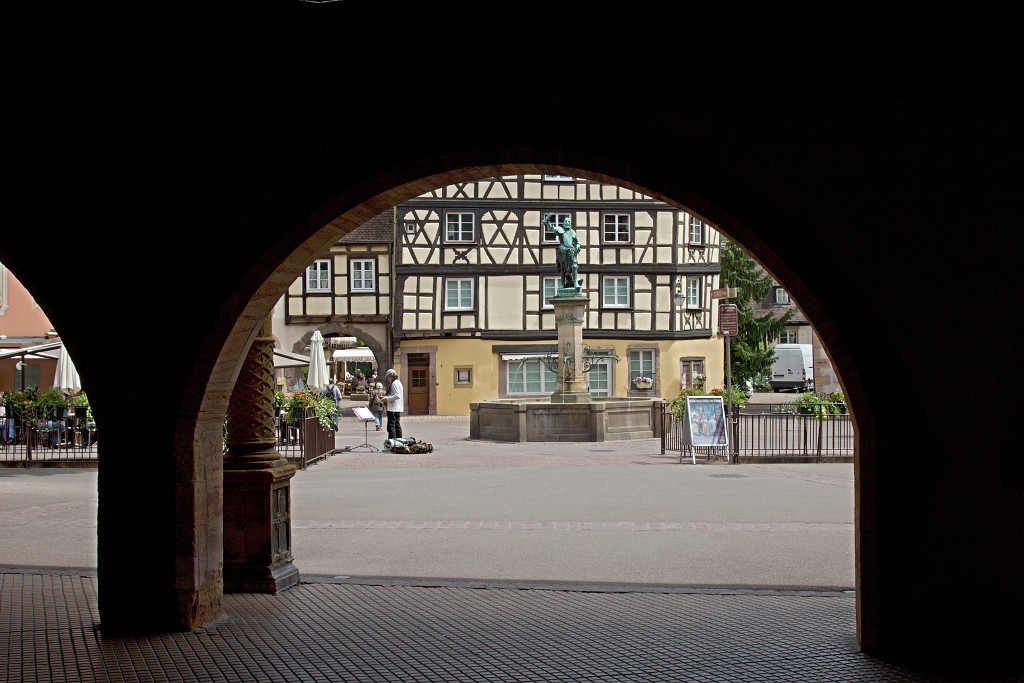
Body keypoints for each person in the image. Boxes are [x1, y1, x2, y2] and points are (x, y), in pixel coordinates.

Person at [542, 212, 581, 290]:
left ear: (570, 223)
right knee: (563, 268)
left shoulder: (573, 232)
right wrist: (548, 222)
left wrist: (578, 245)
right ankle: (562, 284)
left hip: (571, 251)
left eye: (569, 221)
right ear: (563, 223)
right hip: (562, 251)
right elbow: (551, 228)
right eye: (566, 221)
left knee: (574, 265)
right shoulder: (560, 229)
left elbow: (577, 242)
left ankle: (575, 282)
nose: (567, 223)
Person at [383, 368, 404, 441]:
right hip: (398, 408)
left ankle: (392, 442)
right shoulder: (399, 382)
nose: (388, 380)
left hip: (393, 408)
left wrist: (386, 398)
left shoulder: (394, 383)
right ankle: (399, 441)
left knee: (391, 427)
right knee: (397, 426)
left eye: (388, 378)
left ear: (390, 376)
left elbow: (397, 395)